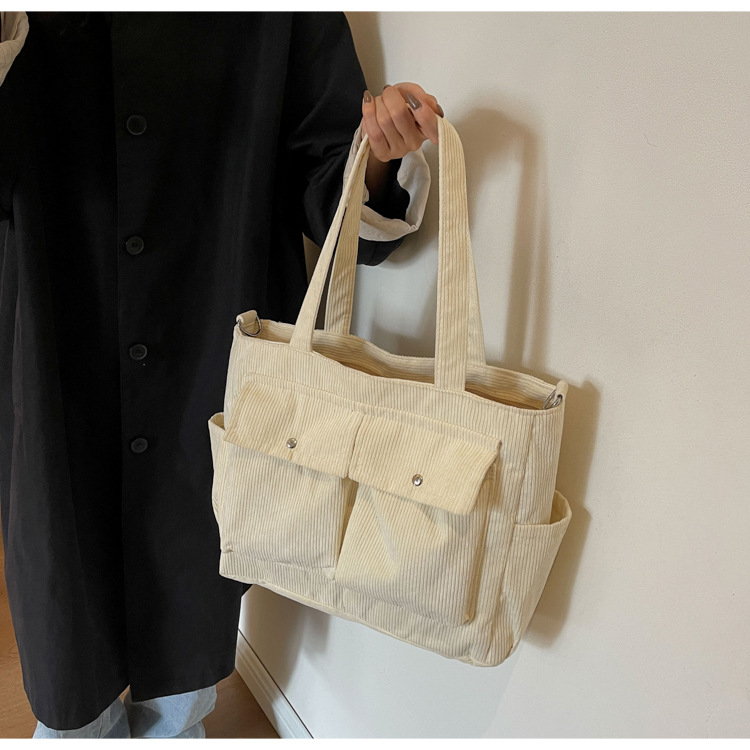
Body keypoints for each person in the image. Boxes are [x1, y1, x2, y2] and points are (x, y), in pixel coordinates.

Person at [0, 10, 439, 739]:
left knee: (194, 573)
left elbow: (325, 173)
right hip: (54, 336)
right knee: (62, 586)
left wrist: (381, 152)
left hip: (208, 340)